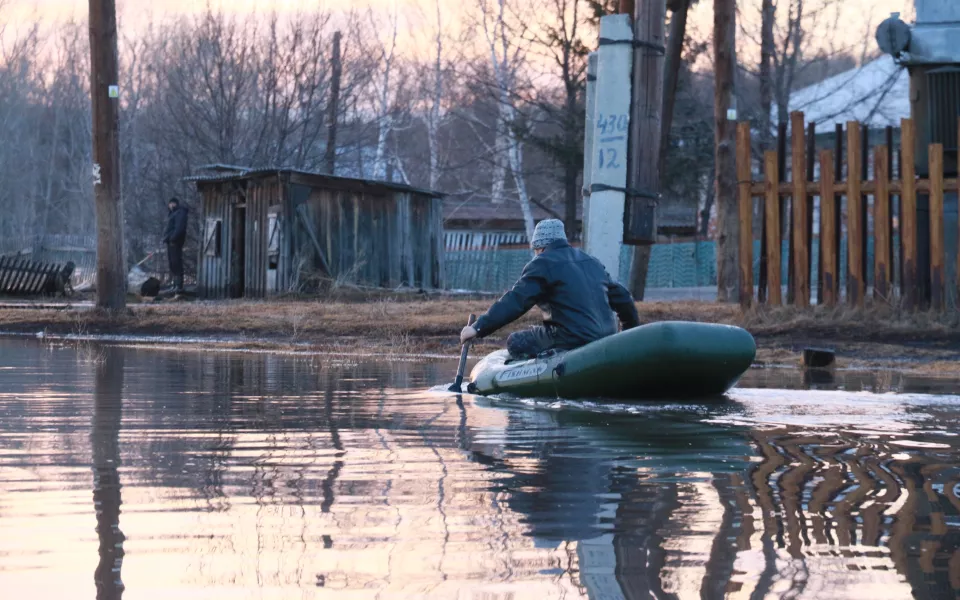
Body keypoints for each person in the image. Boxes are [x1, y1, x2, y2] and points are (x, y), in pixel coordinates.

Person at [460, 218, 641, 359]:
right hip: (606, 337)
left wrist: (478, 327)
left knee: (515, 341)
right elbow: (624, 298)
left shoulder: (542, 263)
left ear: (540, 247)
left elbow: (515, 301)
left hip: (571, 339)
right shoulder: (591, 261)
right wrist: (627, 335)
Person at [161, 197, 189, 293]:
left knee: (176, 262)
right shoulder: (172, 213)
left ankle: (179, 286)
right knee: (172, 263)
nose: (170, 206)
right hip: (170, 241)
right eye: (169, 204)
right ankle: (175, 285)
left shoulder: (180, 212)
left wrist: (173, 238)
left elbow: (179, 228)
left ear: (175, 204)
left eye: (172, 203)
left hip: (176, 241)